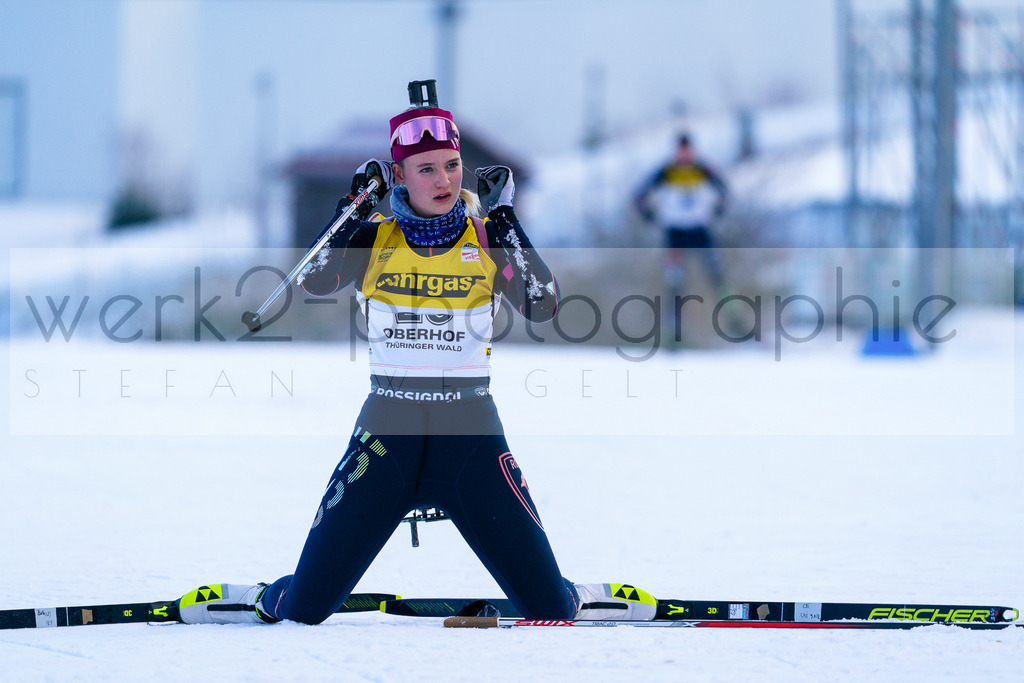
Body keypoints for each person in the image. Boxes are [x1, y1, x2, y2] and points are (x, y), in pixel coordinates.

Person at [176, 81, 656, 625]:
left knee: (550, 610)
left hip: (469, 429)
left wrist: (505, 219)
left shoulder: (485, 236)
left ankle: (576, 593)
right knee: (303, 611)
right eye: (426, 168)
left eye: (452, 165)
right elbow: (312, 279)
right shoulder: (374, 239)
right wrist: (351, 207)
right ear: (399, 174)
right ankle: (264, 594)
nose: (444, 179)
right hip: (388, 430)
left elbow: (542, 304)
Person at [634, 133, 729, 297]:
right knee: (674, 279)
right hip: (675, 230)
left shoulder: (702, 169)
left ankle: (731, 313)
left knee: (715, 271)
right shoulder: (666, 171)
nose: (685, 154)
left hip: (699, 227)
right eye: (681, 151)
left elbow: (724, 190)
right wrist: (648, 214)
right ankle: (673, 319)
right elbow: (640, 195)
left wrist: (719, 209)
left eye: (687, 151)